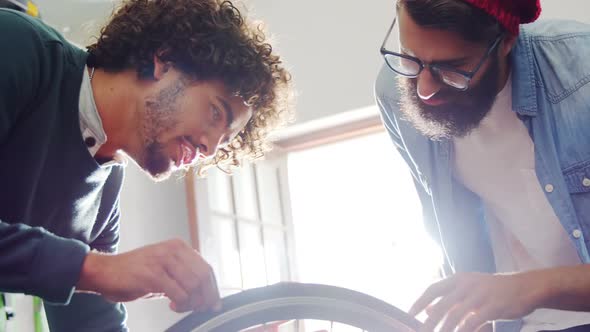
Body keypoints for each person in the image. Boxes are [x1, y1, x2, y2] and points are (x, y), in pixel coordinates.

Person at [0, 0, 292, 330]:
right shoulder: (18, 46)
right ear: (163, 62)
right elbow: (96, 273)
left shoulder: (106, 189)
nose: (209, 147)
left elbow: (91, 325)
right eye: (215, 112)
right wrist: (96, 269)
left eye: (223, 141)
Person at [375, 0, 590, 331]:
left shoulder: (582, 74)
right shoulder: (394, 92)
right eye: (410, 58)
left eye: (452, 68)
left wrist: (529, 287)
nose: (425, 89)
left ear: (506, 42)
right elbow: (447, 224)